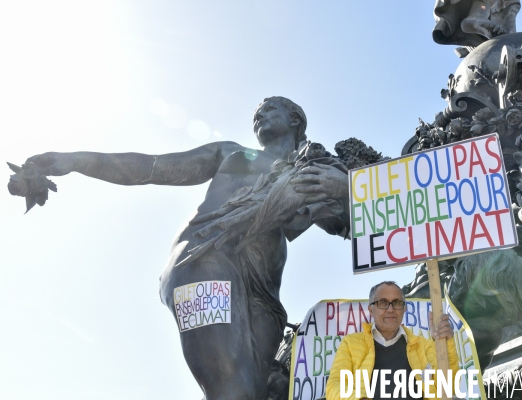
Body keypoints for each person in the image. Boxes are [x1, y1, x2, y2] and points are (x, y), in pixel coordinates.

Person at [9, 97, 350, 400]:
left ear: (295, 119)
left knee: (260, 390)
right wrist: (74, 160)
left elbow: (357, 222)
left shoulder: (313, 171)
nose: (258, 117)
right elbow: (152, 167)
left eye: (269, 109)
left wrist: (344, 187)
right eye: (255, 114)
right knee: (235, 391)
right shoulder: (232, 154)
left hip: (263, 295)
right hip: (203, 258)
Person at [326, 281, 459, 400]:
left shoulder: (424, 346)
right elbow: (334, 386)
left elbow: (448, 389)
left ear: (404, 309)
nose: (390, 309)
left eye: (396, 303)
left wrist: (444, 342)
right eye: (383, 303)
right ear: (371, 310)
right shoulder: (351, 344)